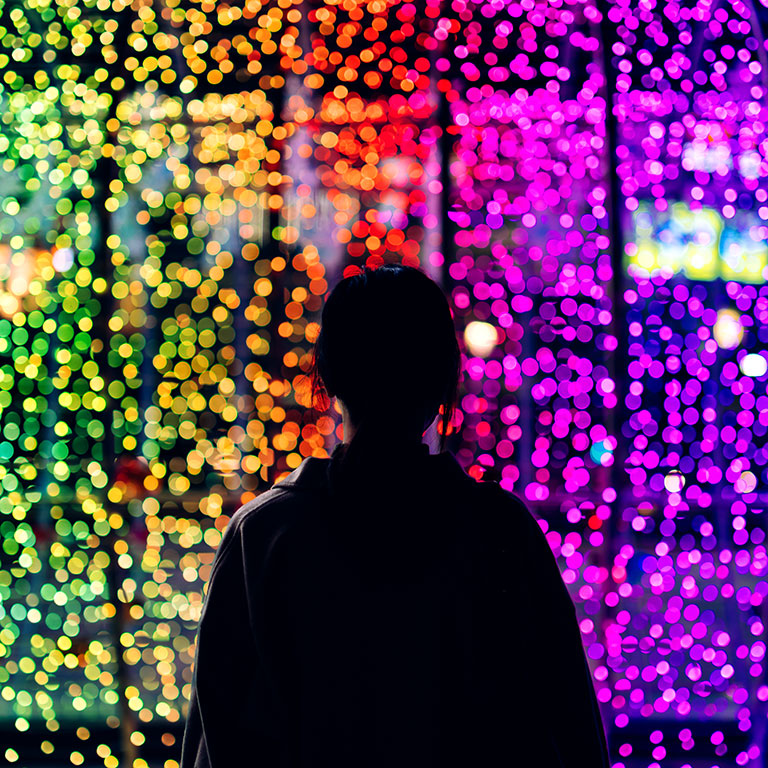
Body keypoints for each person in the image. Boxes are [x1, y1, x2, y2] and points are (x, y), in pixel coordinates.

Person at [179, 264, 610, 768]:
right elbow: (569, 723)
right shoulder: (499, 531)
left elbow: (218, 732)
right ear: (443, 379)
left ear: (328, 376)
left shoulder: (265, 534)